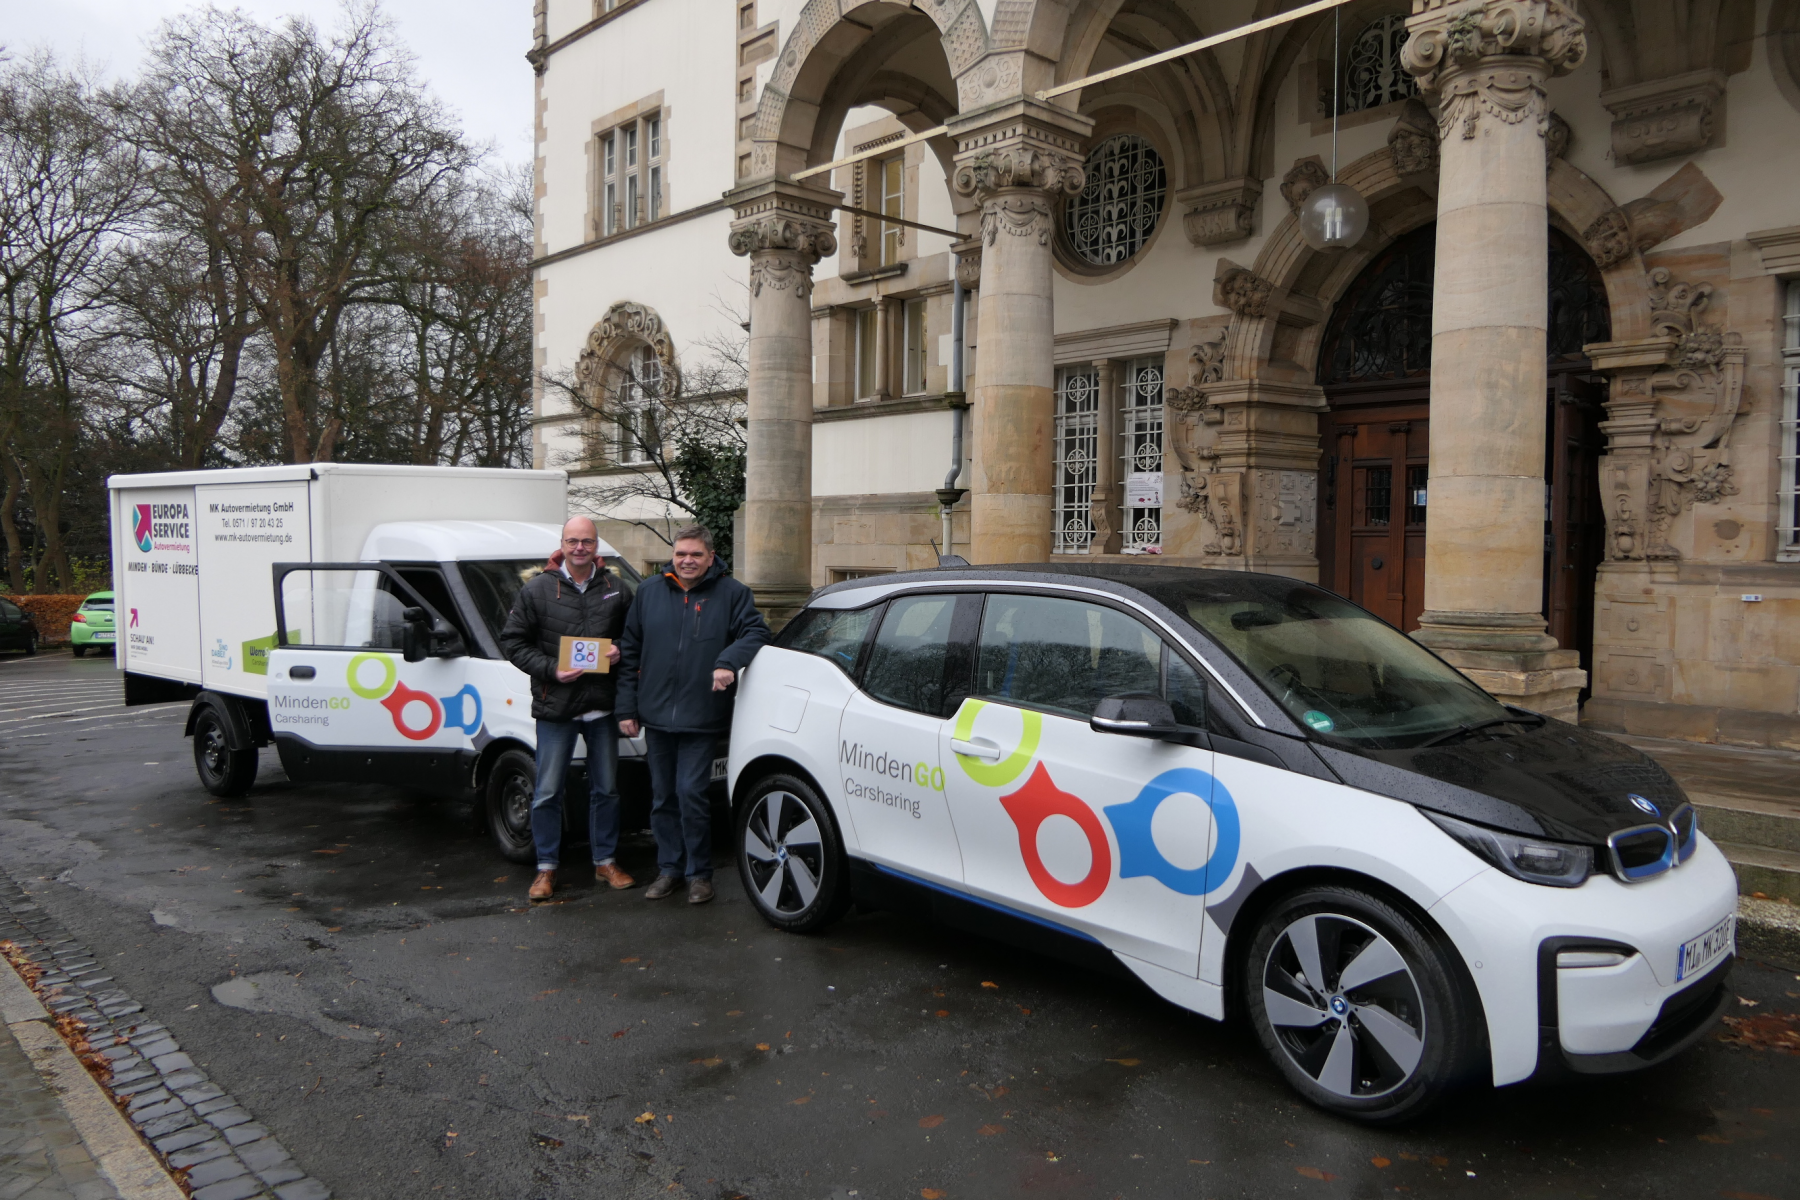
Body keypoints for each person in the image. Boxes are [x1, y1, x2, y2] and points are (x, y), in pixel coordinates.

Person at [617, 524, 770, 904]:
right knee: (663, 796)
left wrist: (727, 662)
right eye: (681, 554)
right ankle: (669, 869)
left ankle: (699, 874)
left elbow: (756, 633)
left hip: (702, 714)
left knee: (691, 793)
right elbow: (629, 650)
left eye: (695, 555)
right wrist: (626, 707)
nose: (687, 561)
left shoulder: (733, 594)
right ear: (673, 554)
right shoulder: (650, 592)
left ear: (711, 557)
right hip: (655, 715)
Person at [500, 516, 635, 904]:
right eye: (573, 541)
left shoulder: (617, 588)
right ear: (562, 544)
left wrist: (621, 650)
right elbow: (513, 642)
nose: (580, 548)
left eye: (587, 542)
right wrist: (551, 670)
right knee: (546, 792)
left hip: (602, 707)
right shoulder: (538, 590)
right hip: (556, 707)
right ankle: (546, 868)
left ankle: (605, 861)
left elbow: (635, 635)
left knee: (606, 790)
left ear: (597, 546)